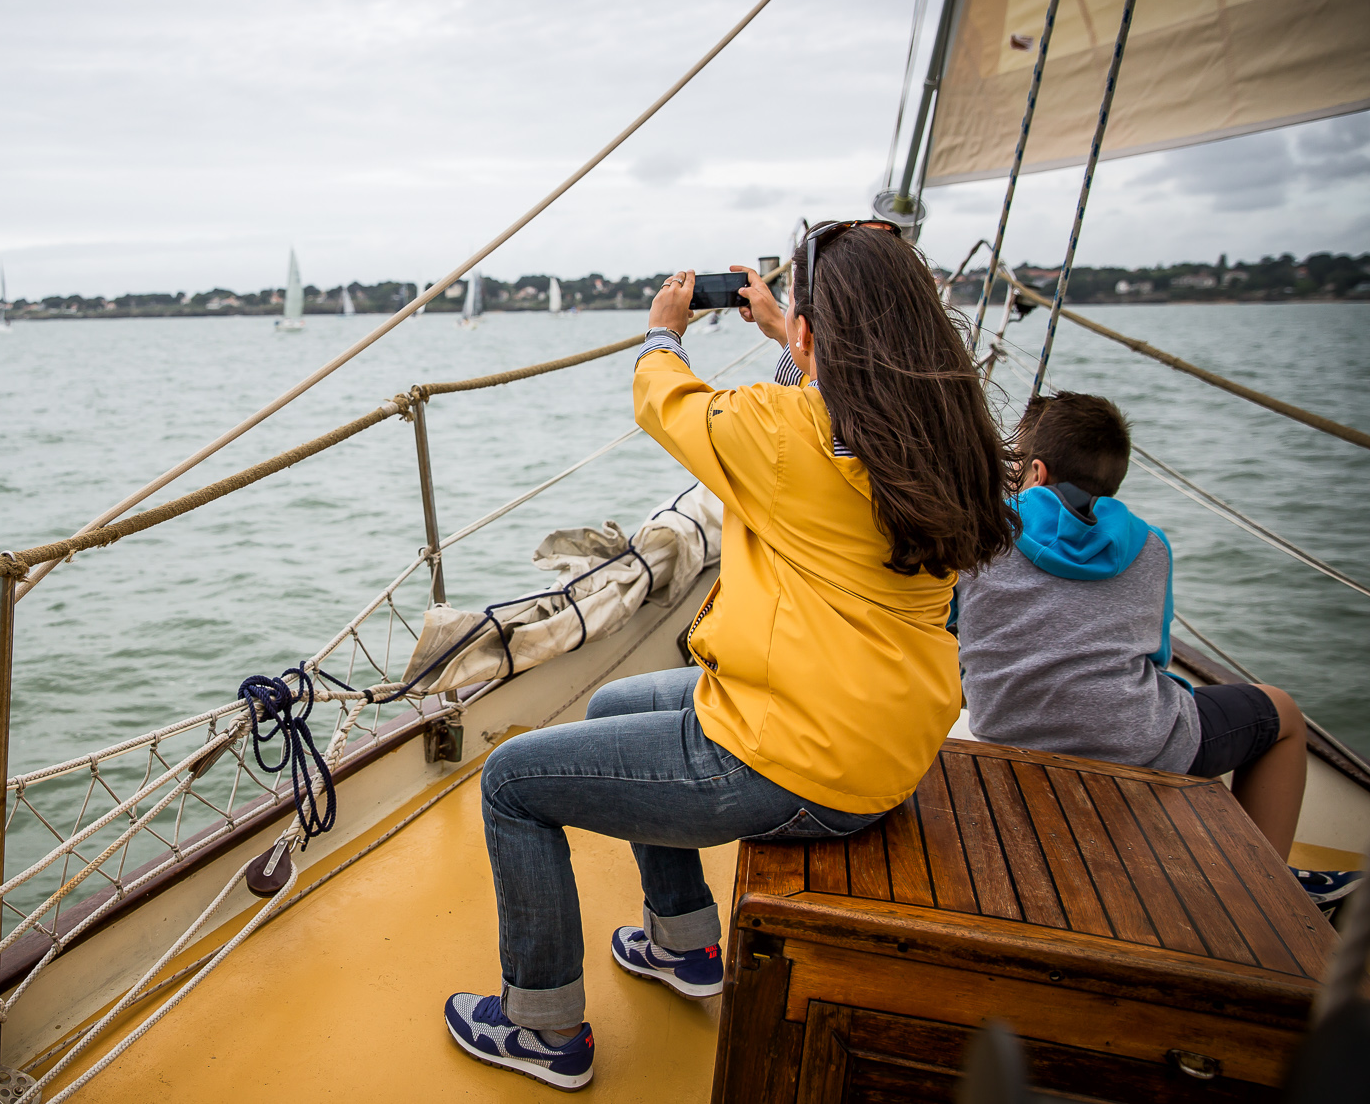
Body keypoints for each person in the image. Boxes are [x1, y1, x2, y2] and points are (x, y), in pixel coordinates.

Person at [442, 223, 1019, 1091]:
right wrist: (785, 328)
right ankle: (683, 944)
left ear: (820, 337)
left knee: (512, 783)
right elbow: (824, 418)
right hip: (886, 741)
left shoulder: (784, 433)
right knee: (611, 709)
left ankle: (542, 1028)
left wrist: (664, 329)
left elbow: (663, 399)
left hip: (796, 759)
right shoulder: (941, 432)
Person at [955, 391, 1361, 917]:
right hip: (1137, 745)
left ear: (1034, 468)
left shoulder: (980, 534)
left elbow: (952, 629)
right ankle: (1269, 900)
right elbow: (1158, 659)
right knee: (1282, 715)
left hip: (1006, 737)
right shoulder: (1150, 548)